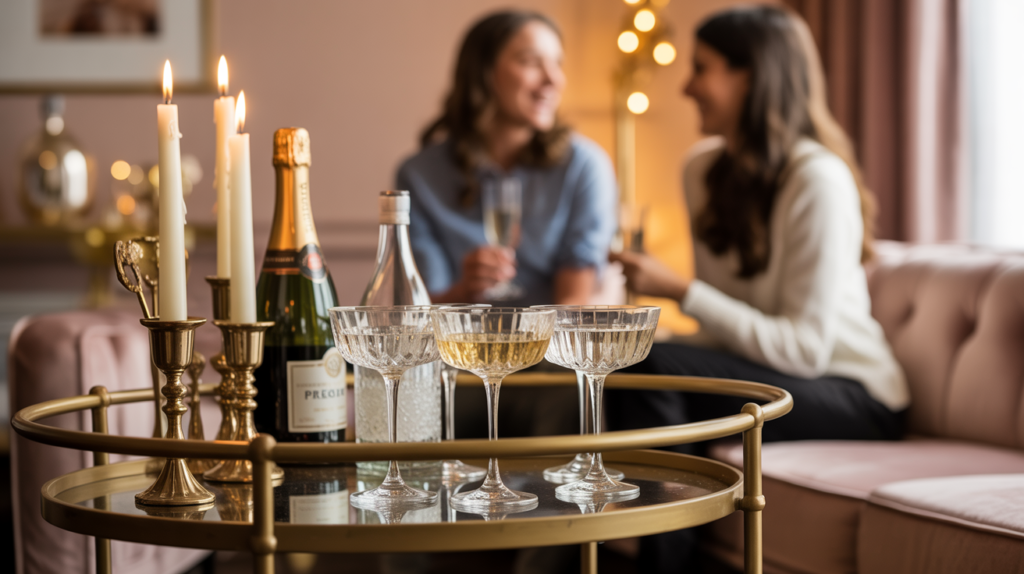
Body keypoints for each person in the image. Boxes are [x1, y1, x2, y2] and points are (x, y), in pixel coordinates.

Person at [606, 6, 909, 572]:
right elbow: (732, 325)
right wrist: (677, 320)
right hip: (773, 373)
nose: (687, 85)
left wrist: (682, 291)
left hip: (853, 394)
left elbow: (803, 350)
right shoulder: (701, 171)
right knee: (643, 363)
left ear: (752, 76)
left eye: (703, 68)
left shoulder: (817, 179)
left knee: (653, 366)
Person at [397, 10, 618, 307]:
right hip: (458, 349)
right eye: (530, 62)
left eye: (557, 64)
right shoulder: (419, 176)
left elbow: (573, 304)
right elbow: (423, 308)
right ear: (483, 73)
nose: (553, 79)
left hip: (553, 350)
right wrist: (466, 291)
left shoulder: (584, 167)